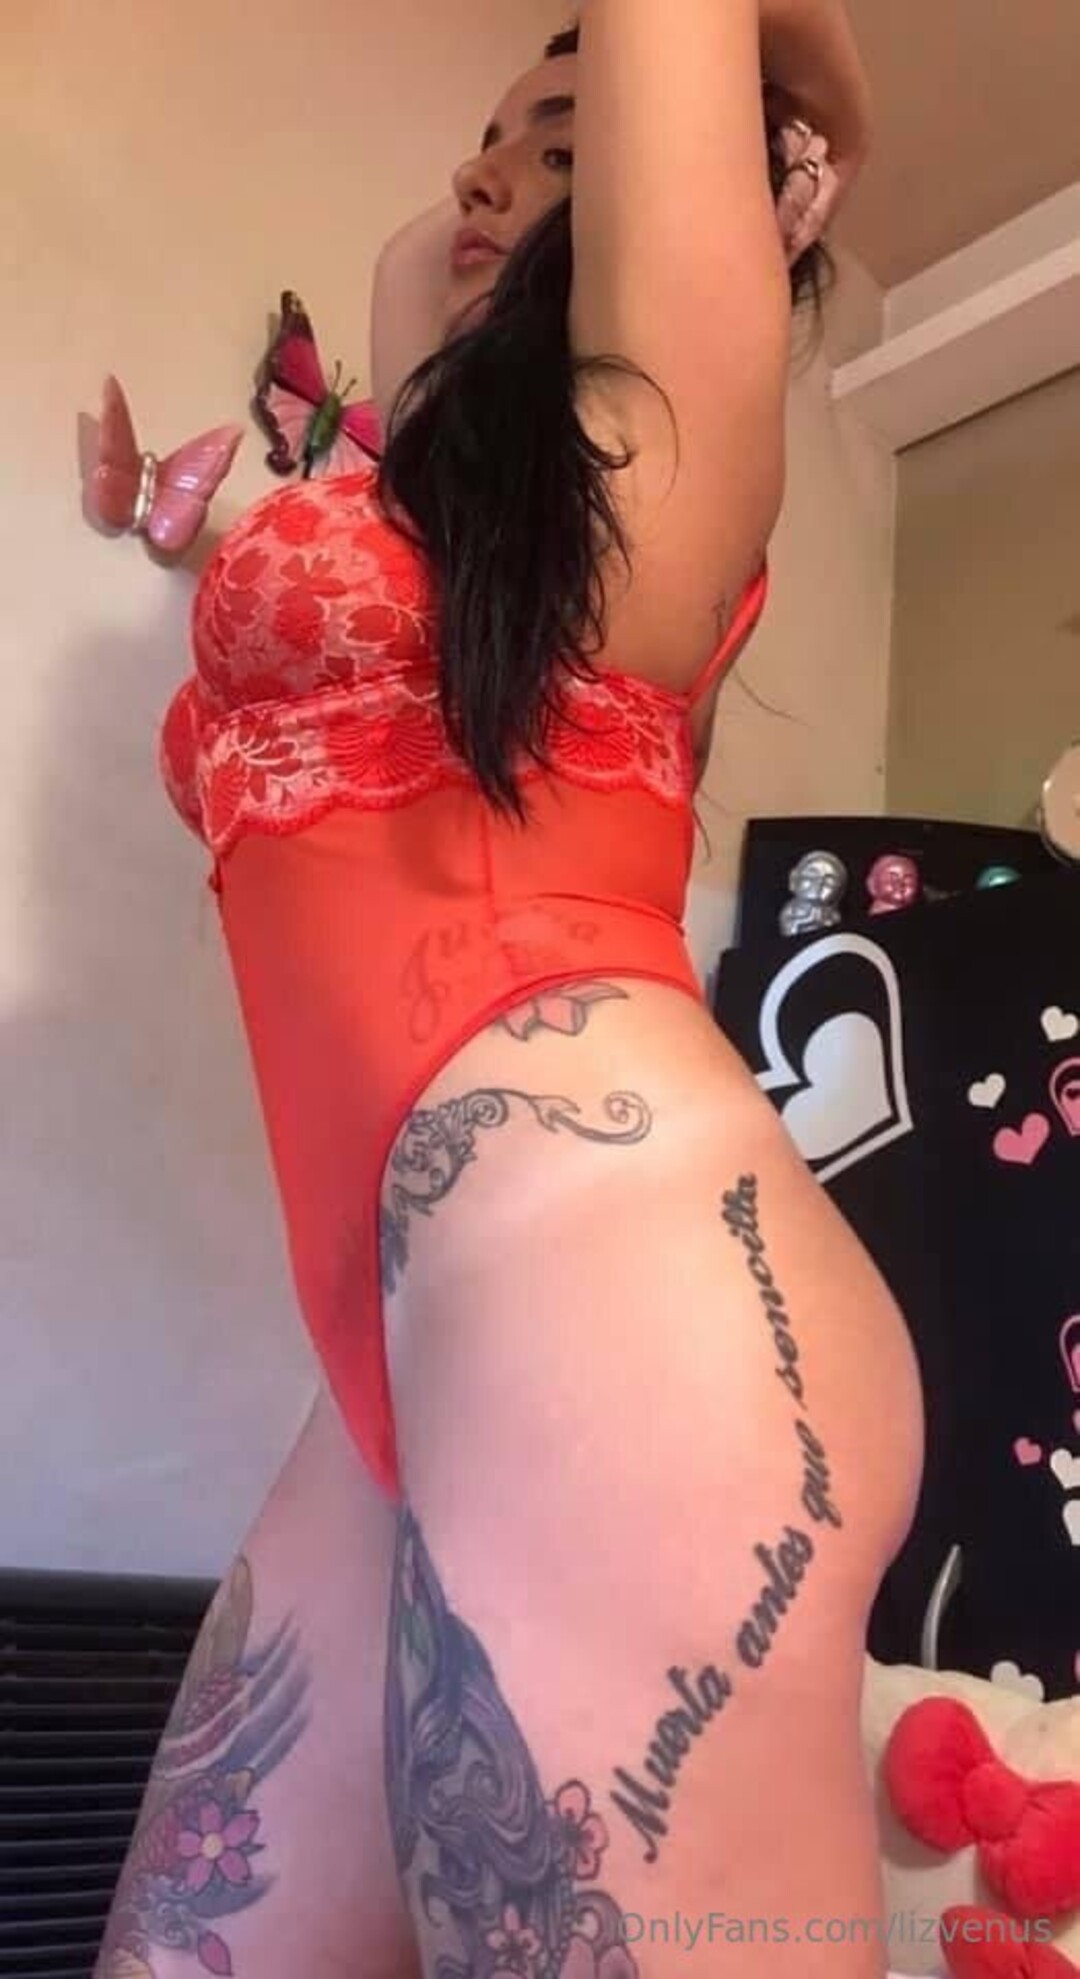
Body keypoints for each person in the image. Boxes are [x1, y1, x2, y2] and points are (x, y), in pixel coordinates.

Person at [96, 5, 923, 1976]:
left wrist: (771, 97)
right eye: (483, 138)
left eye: (561, 139)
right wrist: (517, 185)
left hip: (616, 1292)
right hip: (411, 1364)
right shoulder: (436, 514)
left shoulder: (658, 453)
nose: (480, 176)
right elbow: (416, 285)